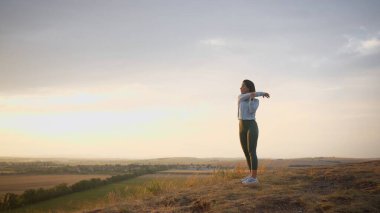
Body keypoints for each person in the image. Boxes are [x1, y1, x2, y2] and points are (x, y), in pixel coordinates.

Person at [238, 79, 270, 185]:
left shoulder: (256, 101)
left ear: (248, 88)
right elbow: (252, 94)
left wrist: (252, 99)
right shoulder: (241, 98)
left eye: (243, 86)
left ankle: (254, 178)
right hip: (241, 126)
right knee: (246, 152)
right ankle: (250, 175)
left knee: (252, 151)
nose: (240, 88)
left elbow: (251, 110)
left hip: (251, 125)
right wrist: (262, 93)